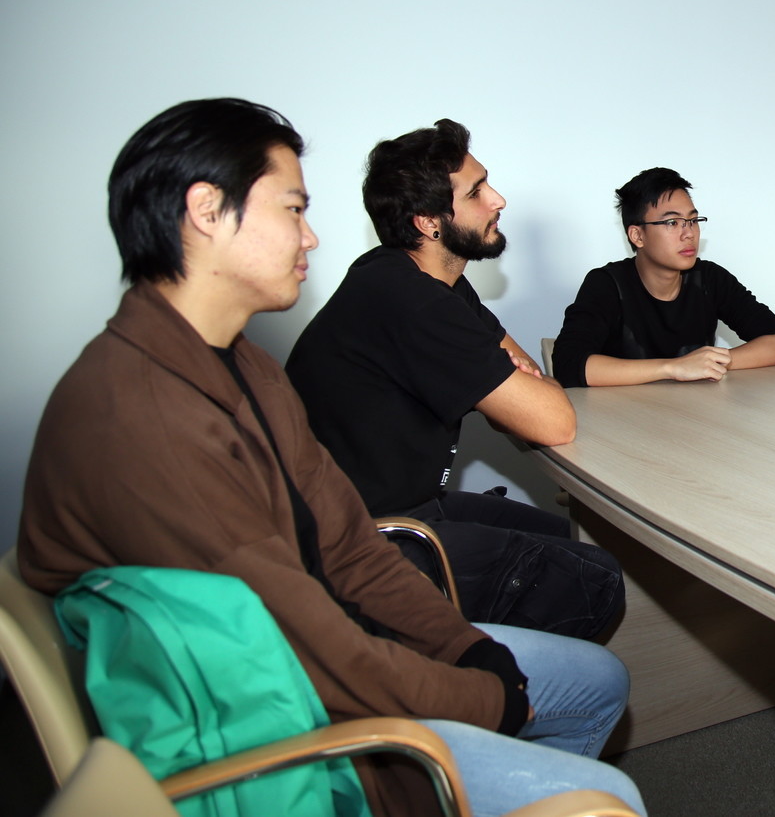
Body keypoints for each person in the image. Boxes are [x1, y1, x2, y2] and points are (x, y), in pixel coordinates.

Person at [19, 99, 643, 816]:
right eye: (293, 209)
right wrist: (484, 696)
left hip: (321, 639)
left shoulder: (244, 367)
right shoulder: (141, 416)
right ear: (206, 212)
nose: (311, 237)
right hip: (276, 729)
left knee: (599, 679)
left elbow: (347, 544)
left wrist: (468, 651)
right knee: (609, 795)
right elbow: (304, 646)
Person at [286, 119, 622, 640]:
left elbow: (531, 384)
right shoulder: (411, 300)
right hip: (361, 542)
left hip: (408, 507)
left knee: (586, 539)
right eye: (476, 192)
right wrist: (522, 390)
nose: (498, 200)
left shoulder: (425, 281)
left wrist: (524, 389)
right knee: (597, 577)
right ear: (429, 223)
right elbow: (551, 420)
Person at [552, 167, 775, 386]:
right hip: (623, 414)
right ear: (637, 236)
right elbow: (568, 366)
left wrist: (712, 362)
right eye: (672, 222)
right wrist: (673, 368)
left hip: (694, 411)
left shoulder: (709, 278)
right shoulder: (607, 284)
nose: (689, 233)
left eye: (693, 220)